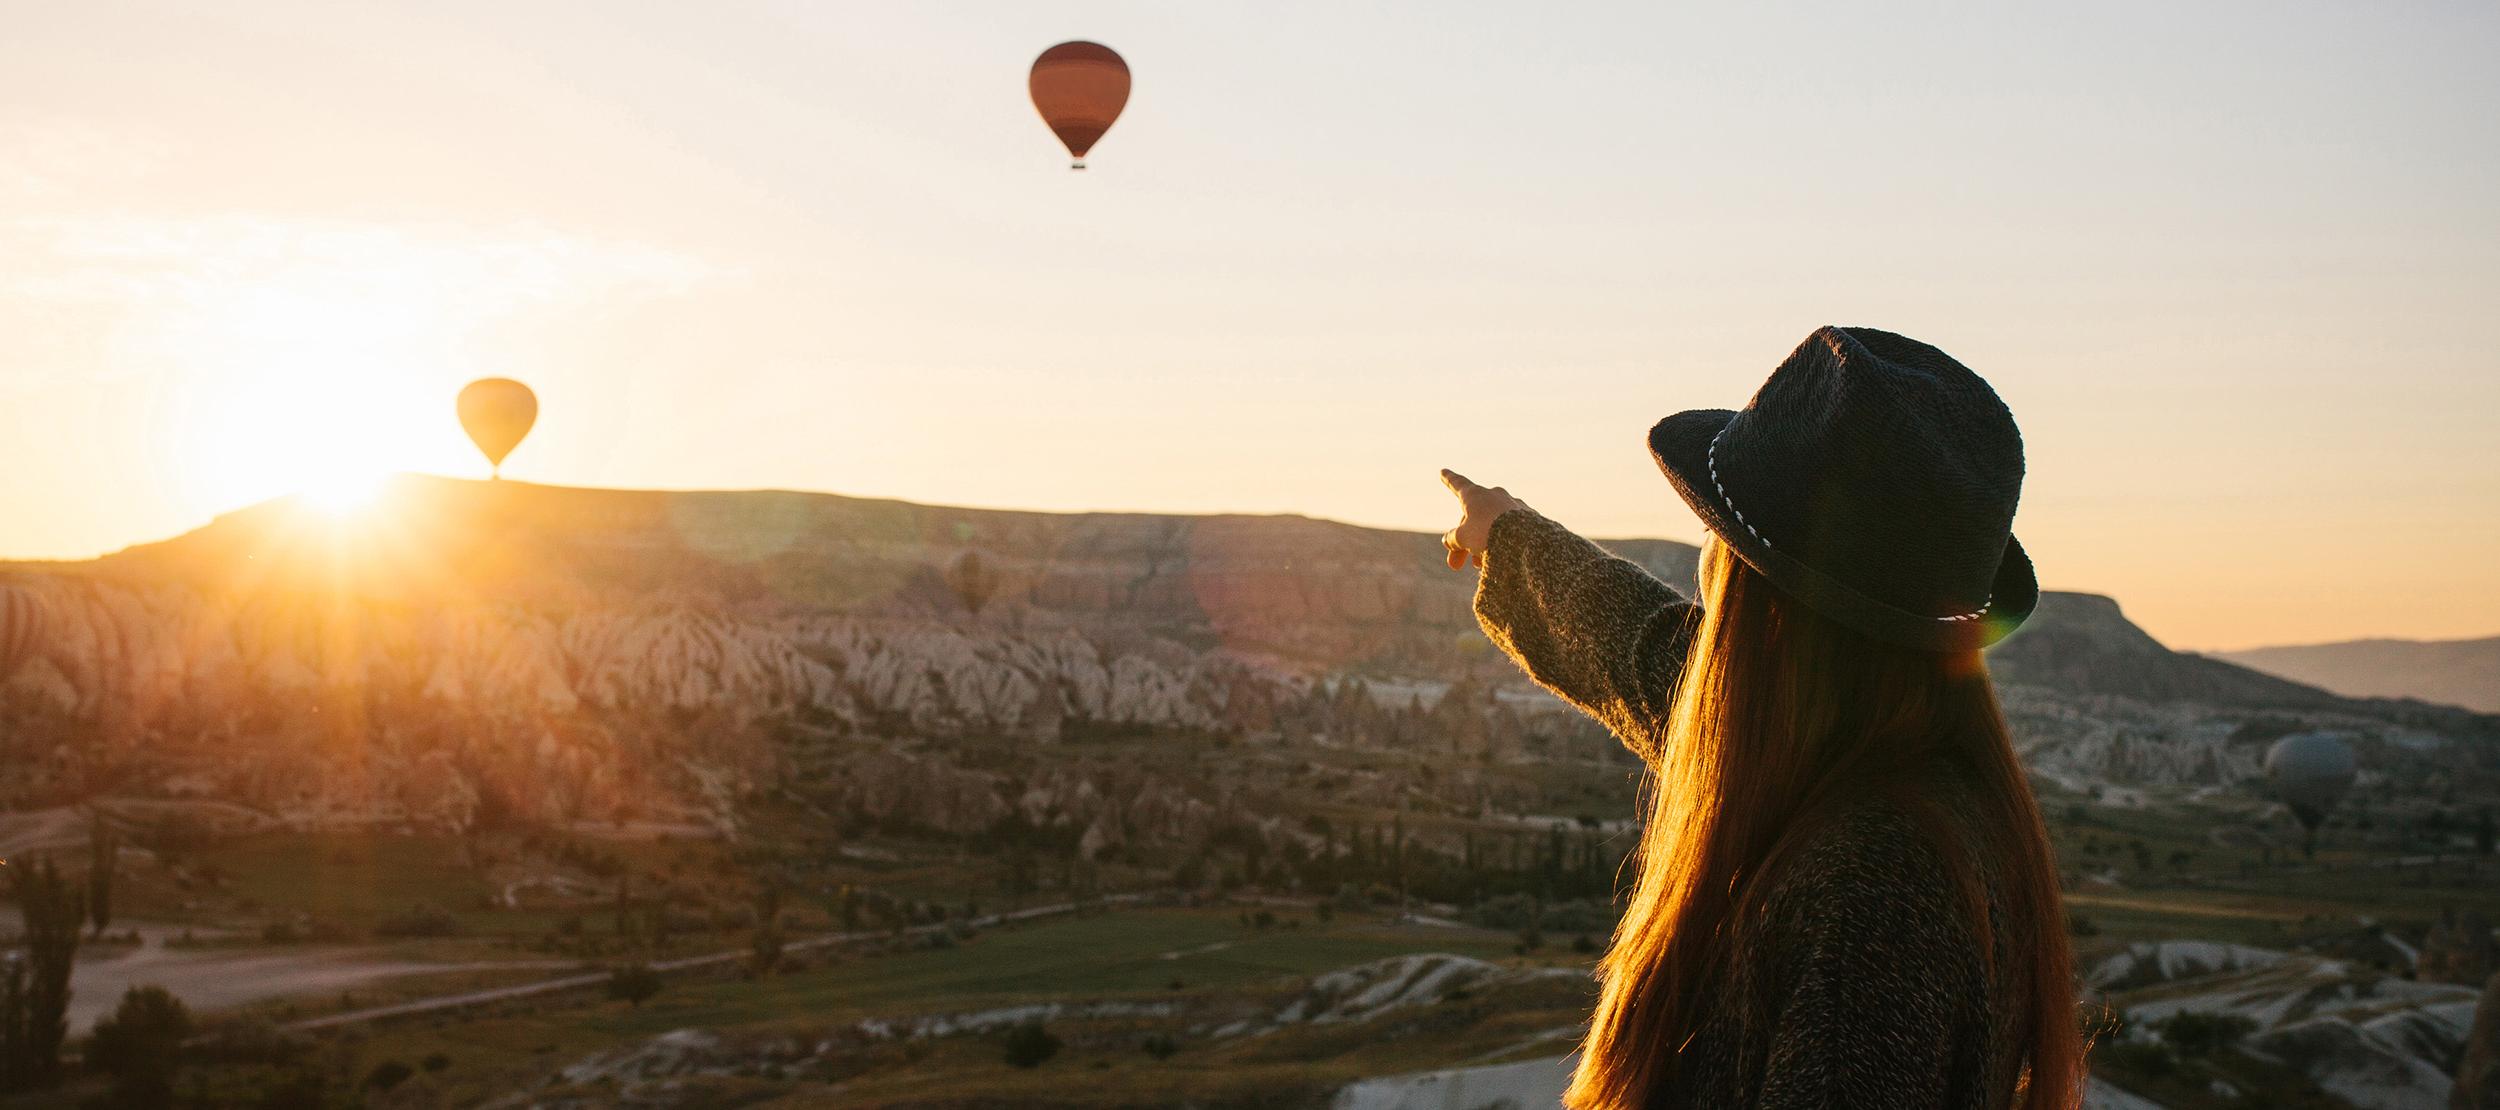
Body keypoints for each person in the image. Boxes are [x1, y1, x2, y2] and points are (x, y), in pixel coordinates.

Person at [1438, 326, 2081, 1109]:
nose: (1706, 565)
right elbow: (1651, 663)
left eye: (1720, 537)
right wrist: (1507, 535)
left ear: (1765, 596)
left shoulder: (1874, 890)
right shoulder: (1867, 768)